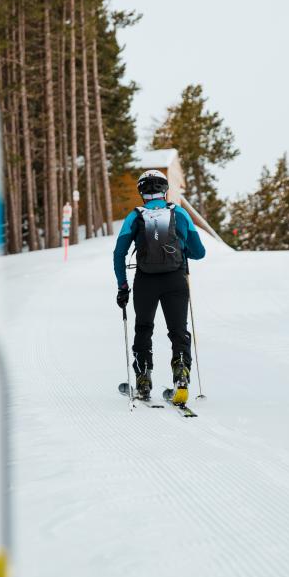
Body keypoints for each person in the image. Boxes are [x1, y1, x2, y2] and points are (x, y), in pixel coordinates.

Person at [113, 169, 206, 403]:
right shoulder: (180, 214)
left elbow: (119, 253)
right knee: (178, 331)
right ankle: (182, 376)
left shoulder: (135, 216)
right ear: (165, 190)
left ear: (142, 191)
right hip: (175, 279)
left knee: (143, 328)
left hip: (146, 280)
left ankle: (143, 380)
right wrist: (181, 251)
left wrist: (122, 286)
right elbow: (200, 252)